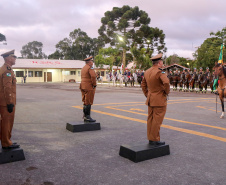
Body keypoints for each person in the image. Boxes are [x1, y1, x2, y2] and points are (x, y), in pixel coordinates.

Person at [141, 53, 170, 146]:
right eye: (161, 62)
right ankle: (155, 139)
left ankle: (151, 138)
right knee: (157, 120)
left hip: (150, 99)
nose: (162, 64)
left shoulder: (147, 71)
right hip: (159, 100)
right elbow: (166, 82)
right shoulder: (160, 71)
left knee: (150, 119)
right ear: (159, 63)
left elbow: (143, 85)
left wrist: (147, 94)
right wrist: (166, 92)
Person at [0, 50, 20, 149]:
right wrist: (10, 103)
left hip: (3, 101)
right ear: (8, 58)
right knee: (7, 122)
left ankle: (7, 140)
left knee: (5, 122)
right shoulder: (7, 70)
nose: (15, 58)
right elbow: (7, 88)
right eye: (14, 56)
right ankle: (6, 143)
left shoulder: (5, 69)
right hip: (6, 102)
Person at [80, 56, 97, 122]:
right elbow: (93, 76)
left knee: (85, 101)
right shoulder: (90, 68)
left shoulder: (84, 68)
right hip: (88, 86)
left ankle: (85, 115)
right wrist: (94, 85)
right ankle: (87, 116)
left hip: (83, 86)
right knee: (89, 101)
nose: (92, 62)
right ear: (89, 62)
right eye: (92, 61)